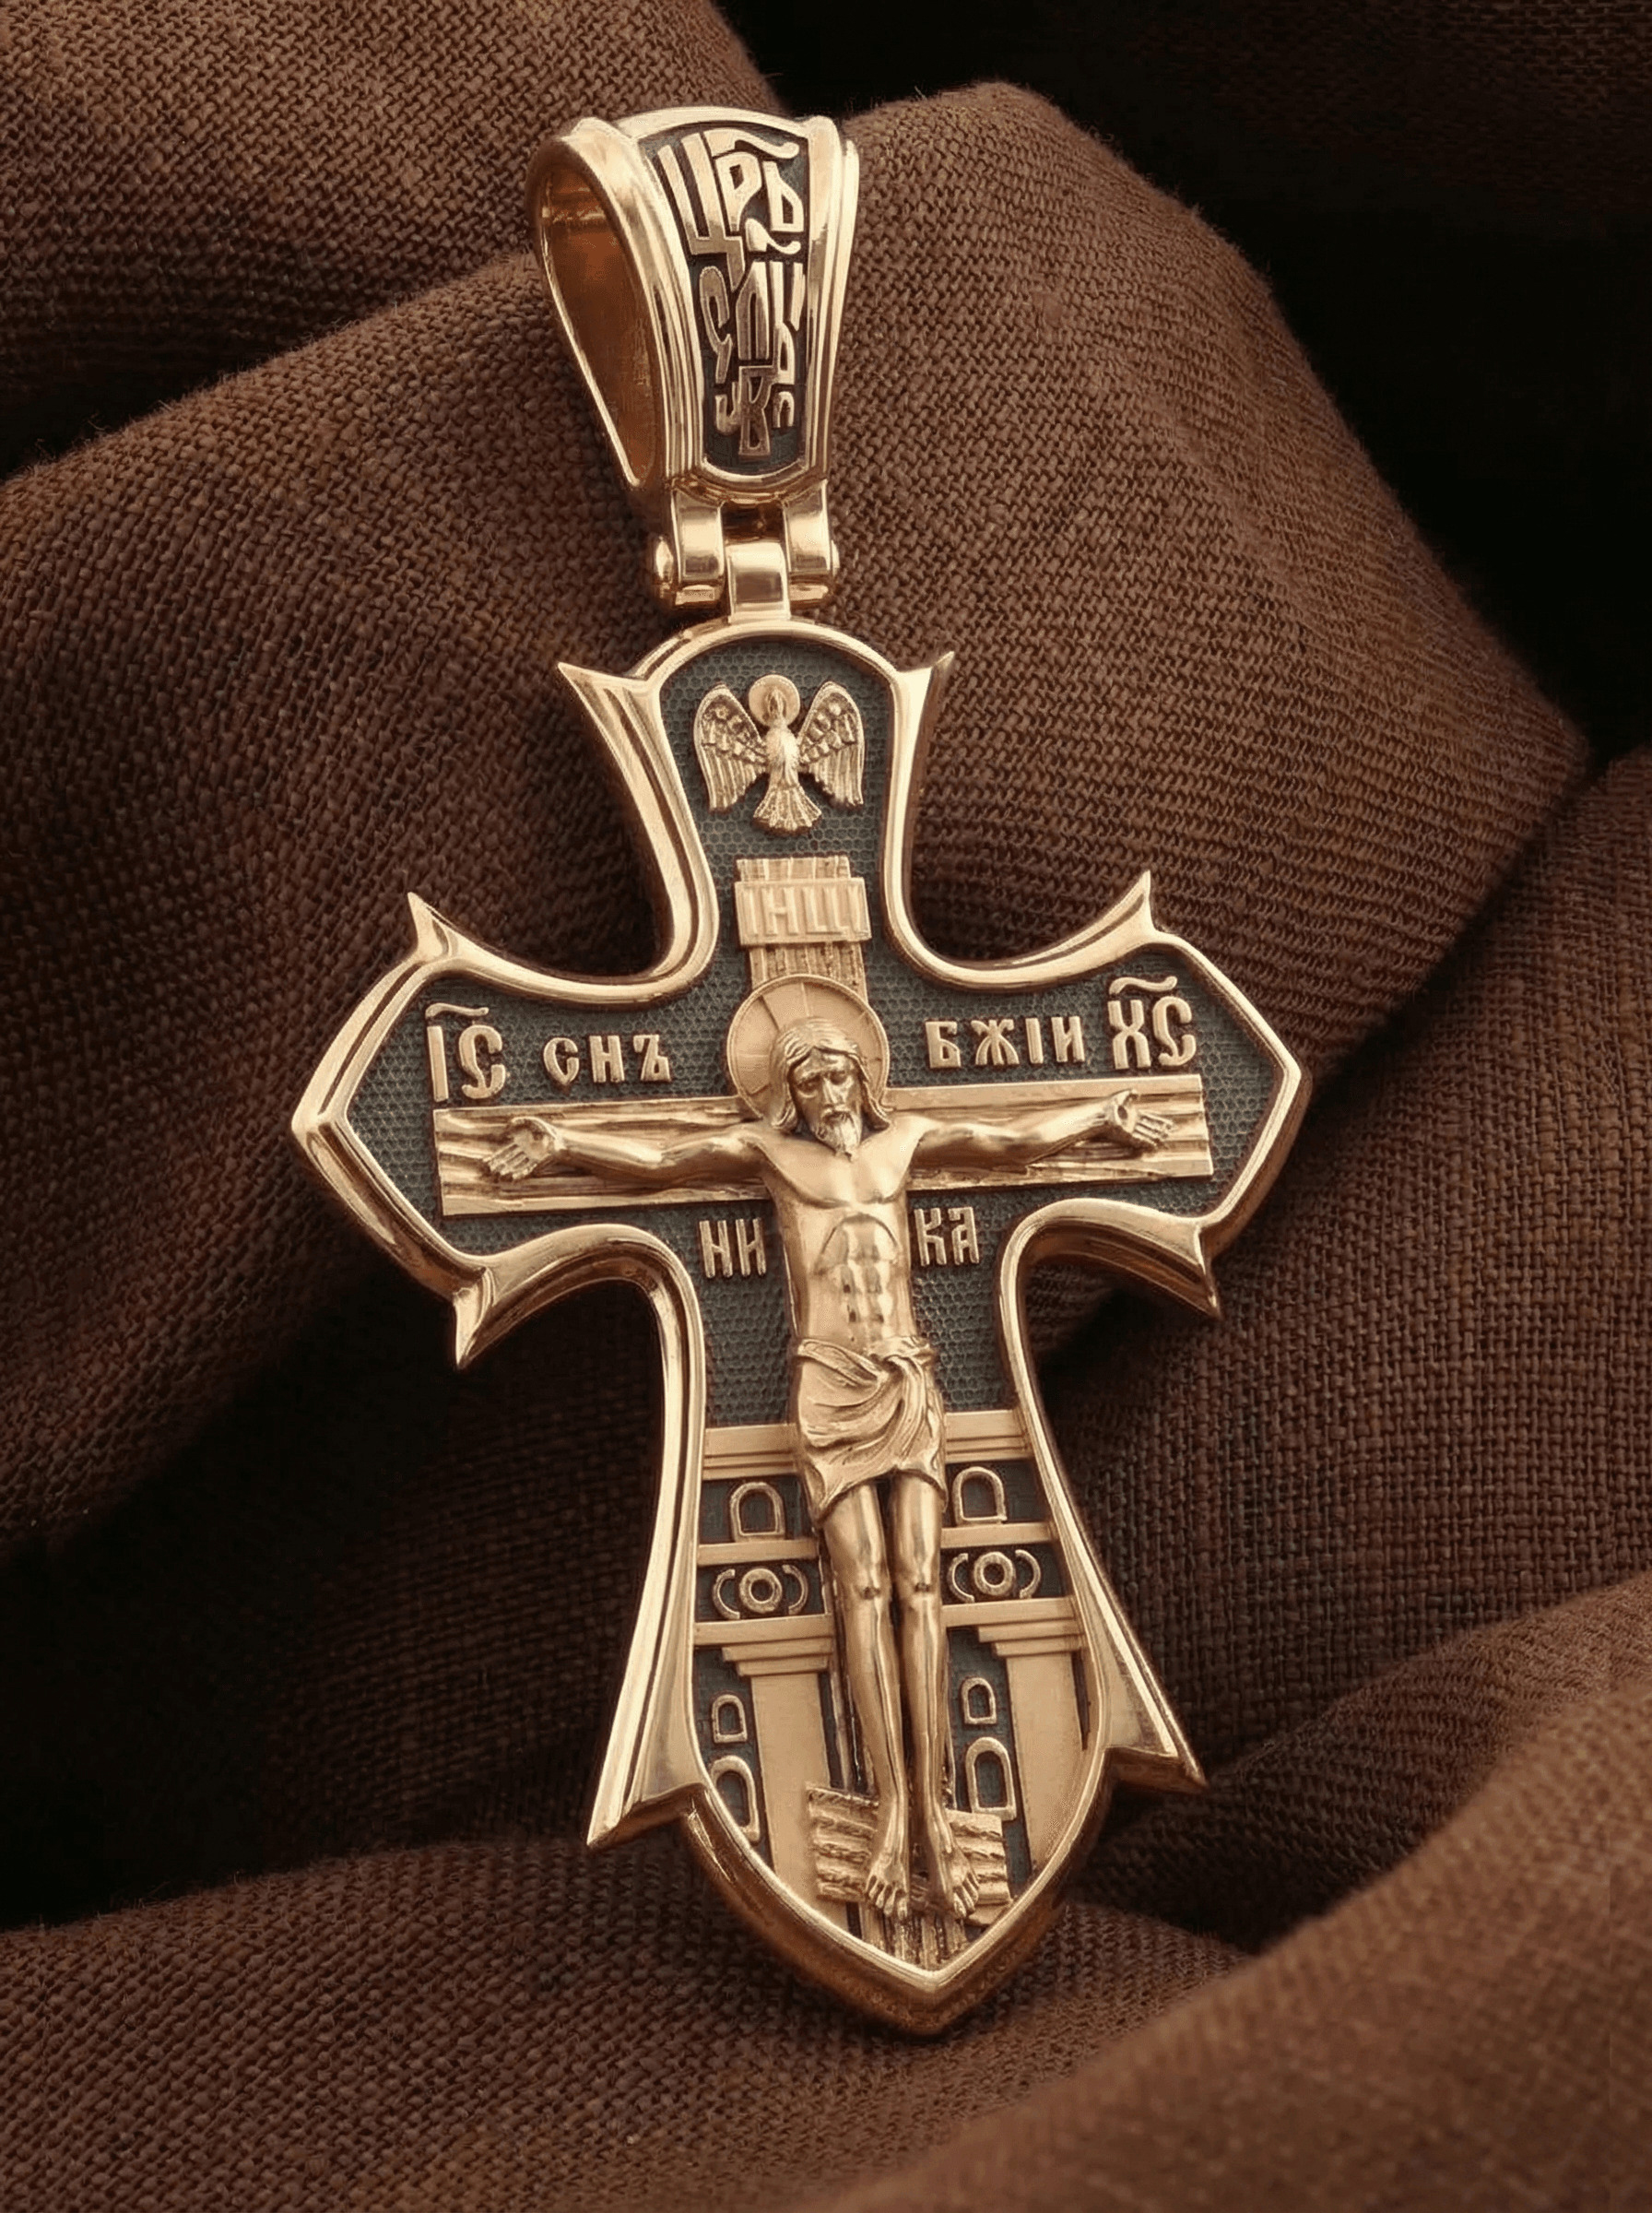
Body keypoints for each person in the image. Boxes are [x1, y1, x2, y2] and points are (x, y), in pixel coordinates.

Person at [485, 1018, 1170, 1922]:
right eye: (812, 1084)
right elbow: (662, 1160)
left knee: (921, 1585)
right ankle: (889, 1818)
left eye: (841, 1077)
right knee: (862, 1589)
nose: (831, 1096)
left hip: (906, 1378)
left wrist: (1105, 1115)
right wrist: (563, 1142)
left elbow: (1009, 1138)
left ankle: (932, 1815)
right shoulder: (773, 1154)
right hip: (830, 1387)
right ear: (791, 1096)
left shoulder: (905, 1141)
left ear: (862, 1080)